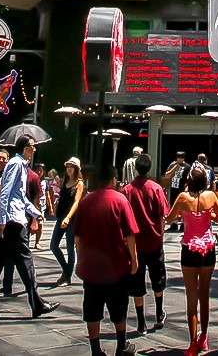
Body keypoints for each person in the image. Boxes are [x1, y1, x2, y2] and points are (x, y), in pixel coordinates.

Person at [0, 134, 57, 321]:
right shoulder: (16, 165)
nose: (34, 149)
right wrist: (1, 221)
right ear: (25, 148)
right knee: (26, 262)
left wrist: (34, 212)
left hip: (13, 220)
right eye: (32, 146)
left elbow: (19, 196)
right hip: (12, 222)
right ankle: (37, 304)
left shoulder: (22, 166)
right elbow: (5, 192)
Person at [75, 162, 140, 356]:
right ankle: (122, 346)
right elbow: (130, 234)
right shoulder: (120, 200)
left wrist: (80, 259)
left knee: (92, 309)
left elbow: (78, 235)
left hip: (91, 266)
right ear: (113, 179)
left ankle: (95, 348)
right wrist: (134, 260)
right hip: (116, 265)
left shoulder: (86, 201)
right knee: (119, 308)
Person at [165, 162, 218, 356]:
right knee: (205, 294)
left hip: (189, 247)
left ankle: (192, 341)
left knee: (192, 296)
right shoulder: (211, 196)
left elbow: (170, 218)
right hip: (208, 247)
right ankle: (204, 337)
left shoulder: (183, 198)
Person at [125, 153, 170, 336]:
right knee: (157, 278)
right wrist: (160, 235)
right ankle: (159, 313)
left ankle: (141, 321)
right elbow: (162, 216)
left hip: (135, 243)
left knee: (137, 282)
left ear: (136, 168)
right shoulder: (156, 188)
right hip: (154, 241)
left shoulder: (127, 190)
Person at [52, 156, 86, 286]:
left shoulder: (79, 183)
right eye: (68, 166)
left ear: (77, 169)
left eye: (72, 167)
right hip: (61, 216)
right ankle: (66, 270)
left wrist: (68, 217)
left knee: (70, 247)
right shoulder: (64, 181)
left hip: (72, 219)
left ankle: (67, 276)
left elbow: (77, 201)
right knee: (53, 245)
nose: (69, 169)